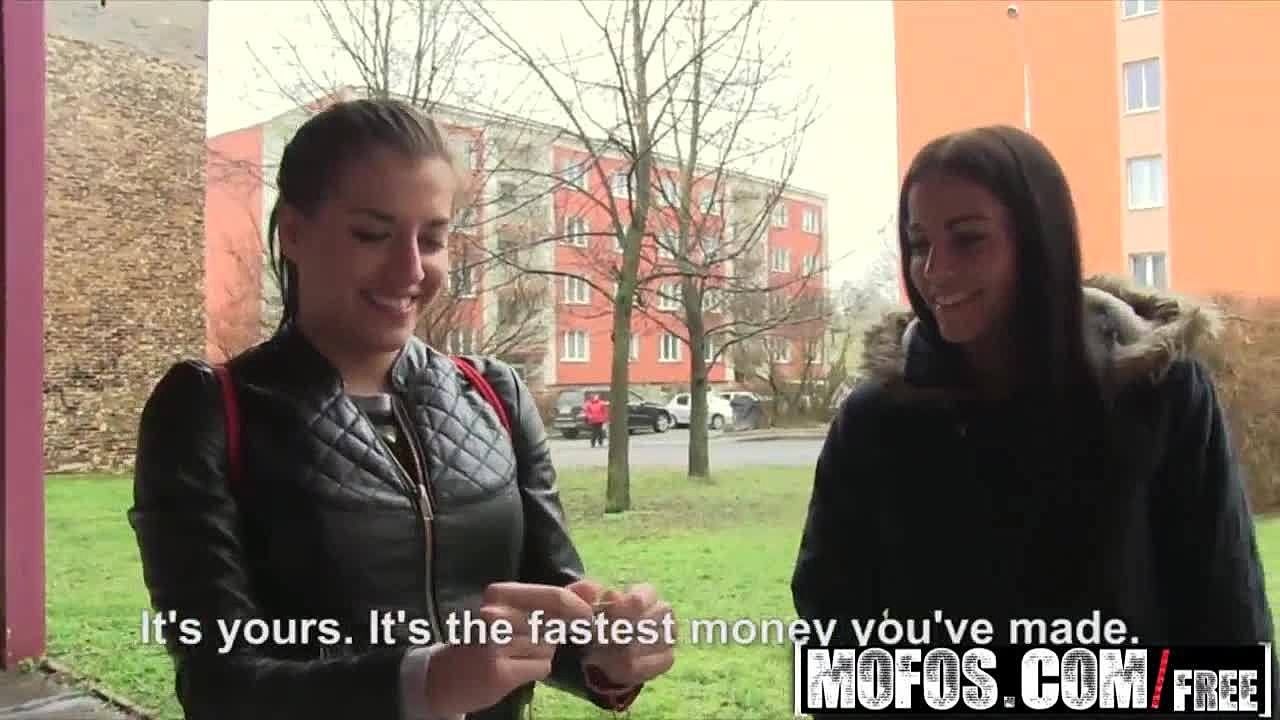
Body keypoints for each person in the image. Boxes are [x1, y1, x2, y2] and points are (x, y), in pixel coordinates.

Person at [128, 98, 675, 720]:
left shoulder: (495, 393)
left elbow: (550, 604)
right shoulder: (208, 410)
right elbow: (218, 684)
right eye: (372, 234)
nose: (411, 269)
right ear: (294, 232)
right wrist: (424, 683)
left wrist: (608, 651)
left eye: (433, 239)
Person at [792, 126, 1272, 671]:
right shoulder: (877, 419)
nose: (934, 270)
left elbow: (1228, 616)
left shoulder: (1162, 396)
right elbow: (829, 619)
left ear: (1040, 243)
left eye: (968, 239)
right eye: (920, 244)